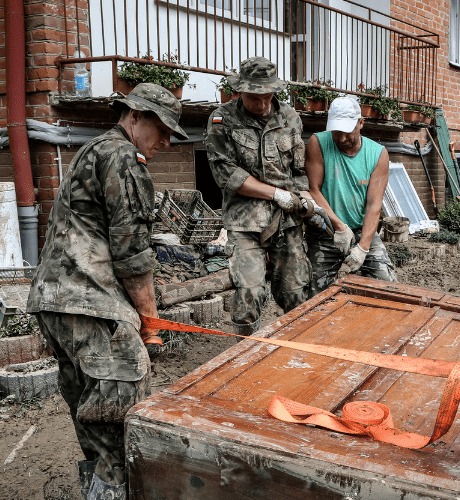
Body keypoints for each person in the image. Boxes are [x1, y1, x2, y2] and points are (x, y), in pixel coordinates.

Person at [27, 83, 188, 500]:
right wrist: (150, 323)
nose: (166, 142)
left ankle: (96, 491)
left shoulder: (92, 149)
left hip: (54, 300)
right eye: (162, 129)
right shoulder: (123, 158)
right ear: (134, 116)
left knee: (93, 419)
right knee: (121, 424)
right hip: (91, 301)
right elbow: (132, 250)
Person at [206, 57, 313, 335]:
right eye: (256, 97)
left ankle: (299, 351)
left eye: (268, 96)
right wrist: (276, 193)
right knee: (249, 291)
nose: (263, 104)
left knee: (295, 292)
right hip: (246, 221)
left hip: (287, 220)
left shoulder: (290, 117)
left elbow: (299, 170)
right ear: (240, 90)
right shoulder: (222, 119)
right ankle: (244, 353)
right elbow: (225, 174)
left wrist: (304, 197)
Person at [304, 96, 397, 295]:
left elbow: (374, 205)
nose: (342, 139)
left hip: (362, 230)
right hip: (325, 232)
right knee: (315, 295)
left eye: (347, 132)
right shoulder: (317, 143)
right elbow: (314, 190)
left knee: (389, 286)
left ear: (361, 123)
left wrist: (363, 248)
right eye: (337, 132)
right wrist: (339, 226)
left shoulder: (378, 154)